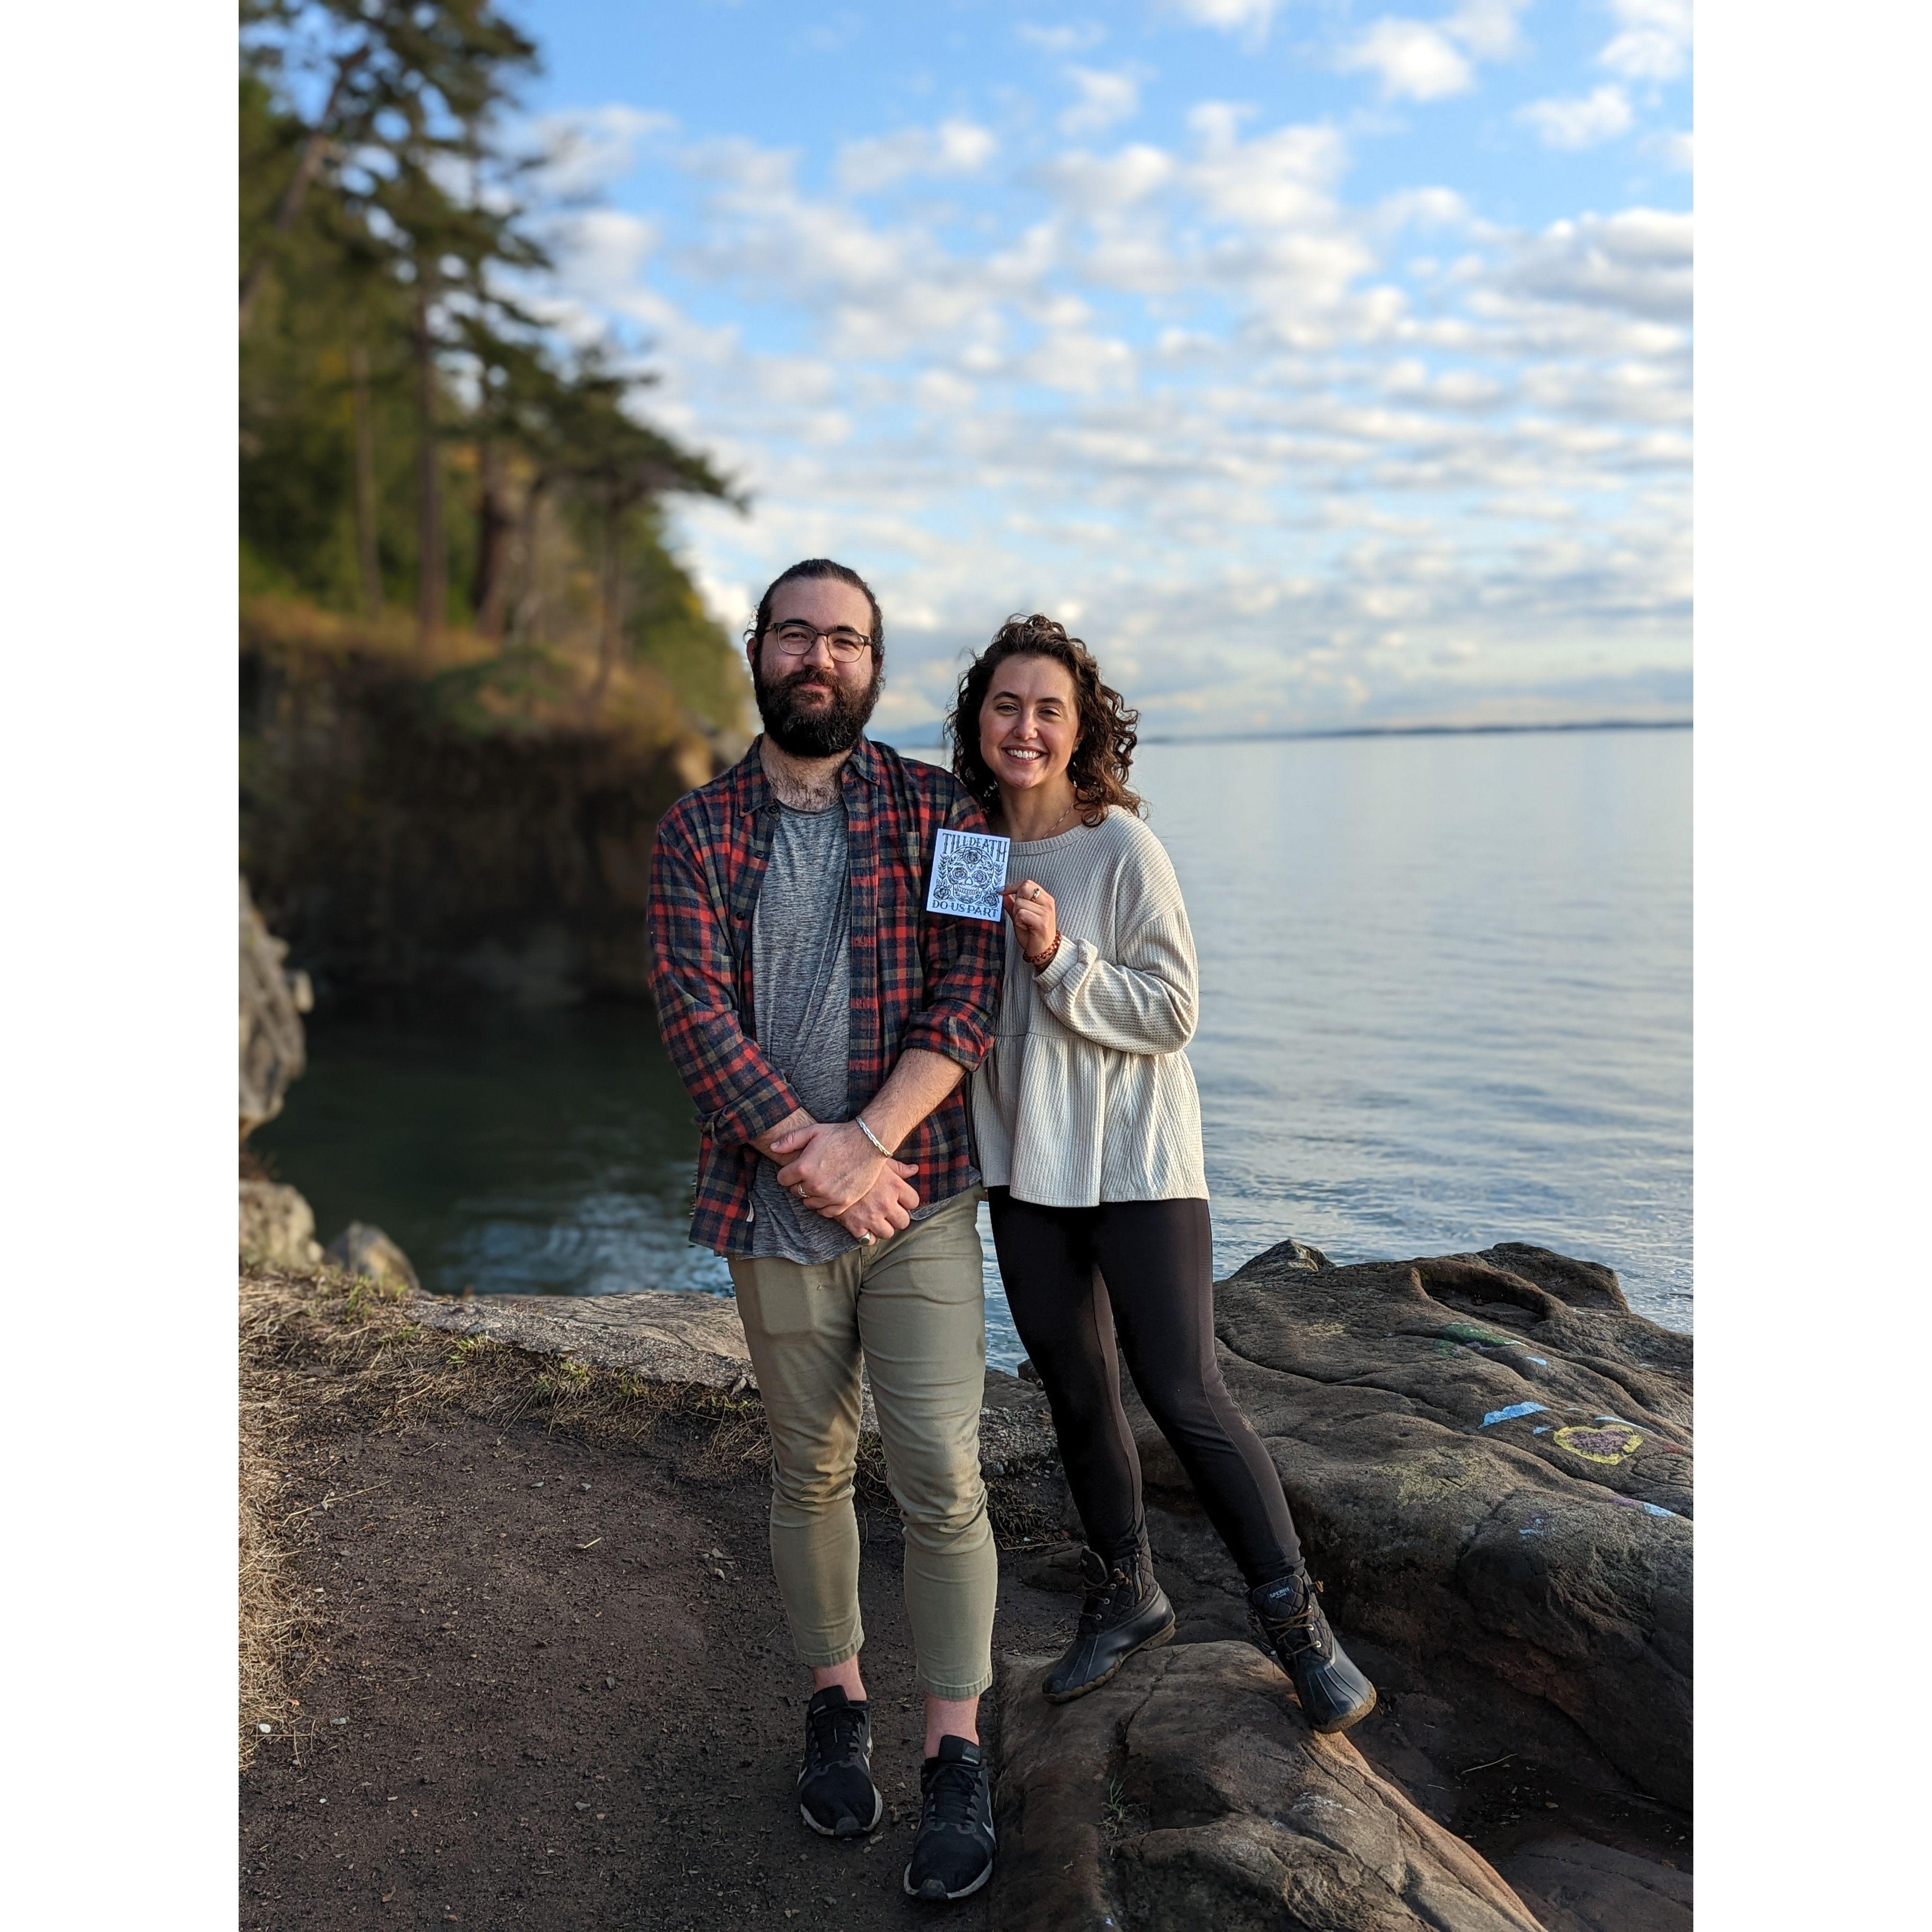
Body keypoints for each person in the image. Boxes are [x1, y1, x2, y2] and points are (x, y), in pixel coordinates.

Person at [947, 614, 1376, 1734]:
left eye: (1049, 709)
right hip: (1024, 1168)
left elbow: (1176, 1013)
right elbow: (943, 1001)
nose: (1025, 726)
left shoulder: (1122, 847)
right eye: (1006, 705)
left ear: (1081, 728)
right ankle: (1127, 1593)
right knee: (1077, 1390)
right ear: (978, 721)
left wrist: (1057, 958)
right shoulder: (967, 846)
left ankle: (1300, 1632)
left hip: (1136, 1160)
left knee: (1184, 1391)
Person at [646, 559, 1003, 1903]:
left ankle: (953, 1752)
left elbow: (971, 997)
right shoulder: (695, 829)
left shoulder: (950, 810)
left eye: (842, 639)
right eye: (794, 633)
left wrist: (869, 1151)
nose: (816, 657)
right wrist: (813, 1154)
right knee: (807, 1470)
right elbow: (690, 1010)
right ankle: (837, 1704)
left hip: (915, 1196)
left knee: (943, 1475)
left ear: (874, 667)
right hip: (776, 1197)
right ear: (758, 651)